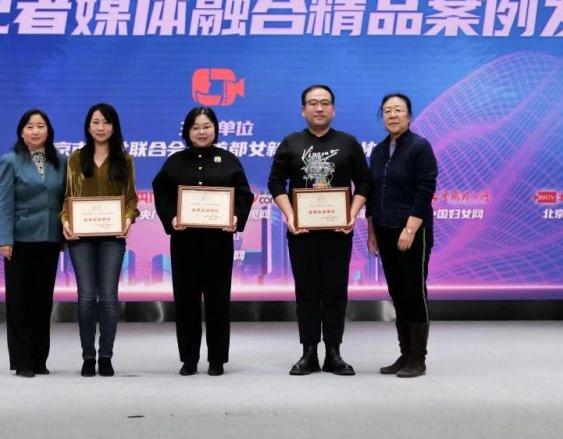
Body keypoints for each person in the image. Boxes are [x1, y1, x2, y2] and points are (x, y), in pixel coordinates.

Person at [267, 84, 371, 376]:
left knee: (336, 291)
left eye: (325, 102)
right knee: (307, 291)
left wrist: (352, 214)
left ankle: (334, 352)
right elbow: (275, 182)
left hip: (339, 232)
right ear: (303, 110)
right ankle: (309, 352)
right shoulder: (291, 143)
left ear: (334, 109)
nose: (319, 108)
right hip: (302, 232)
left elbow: (365, 182)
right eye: (313, 103)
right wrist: (290, 215)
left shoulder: (348, 143)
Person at [152, 107, 253, 376]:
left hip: (218, 242)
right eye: (195, 127)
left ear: (215, 129)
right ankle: (189, 359)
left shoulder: (228, 160)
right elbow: (161, 193)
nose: (201, 132)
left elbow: (244, 196)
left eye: (207, 126)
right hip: (184, 242)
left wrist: (235, 217)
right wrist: (171, 218)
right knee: (186, 301)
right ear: (187, 131)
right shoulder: (175, 162)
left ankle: (217, 359)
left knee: (218, 300)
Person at [61, 103, 139, 377]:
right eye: (95, 122)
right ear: (88, 126)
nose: (101, 127)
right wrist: (66, 221)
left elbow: (131, 199)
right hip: (80, 237)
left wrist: (127, 219)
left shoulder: (125, 160)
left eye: (106, 122)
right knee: (85, 297)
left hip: (112, 238)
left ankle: (106, 355)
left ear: (114, 127)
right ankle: (87, 356)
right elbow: (67, 197)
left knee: (108, 298)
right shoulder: (75, 159)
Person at [366, 93, 438, 378]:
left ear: (409, 115)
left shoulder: (420, 146)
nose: (392, 115)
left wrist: (410, 229)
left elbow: (426, 189)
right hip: (384, 230)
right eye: (387, 111)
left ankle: (418, 358)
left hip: (412, 231)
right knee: (397, 293)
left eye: (398, 110)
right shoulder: (379, 151)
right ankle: (404, 353)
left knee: (414, 292)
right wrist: (372, 230)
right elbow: (373, 193)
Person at [0, 109, 67, 378]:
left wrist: (64, 233)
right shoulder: (10, 161)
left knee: (42, 301)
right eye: (30, 126)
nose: (35, 131)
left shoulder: (61, 161)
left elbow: (65, 200)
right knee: (19, 301)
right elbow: (5, 203)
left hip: (50, 238)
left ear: (48, 131)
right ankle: (22, 360)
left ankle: (39, 358)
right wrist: (5, 238)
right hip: (20, 240)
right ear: (21, 132)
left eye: (40, 126)